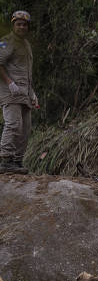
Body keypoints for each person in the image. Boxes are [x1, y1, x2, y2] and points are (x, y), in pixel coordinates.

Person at [0, 11, 38, 174]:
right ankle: (5, 160)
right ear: (13, 25)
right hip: (10, 92)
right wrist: (9, 83)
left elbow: (26, 72)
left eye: (24, 24)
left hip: (25, 94)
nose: (22, 27)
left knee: (25, 129)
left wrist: (32, 93)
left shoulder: (26, 44)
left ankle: (16, 161)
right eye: (18, 24)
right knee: (13, 124)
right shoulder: (6, 42)